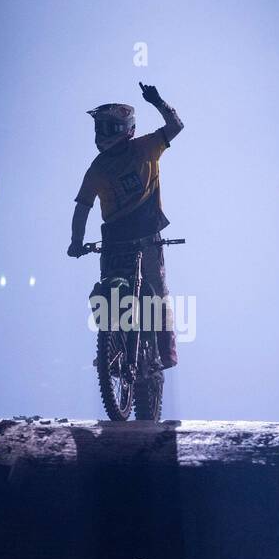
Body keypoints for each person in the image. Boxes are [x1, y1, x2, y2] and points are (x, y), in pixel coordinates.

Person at [67, 82, 183, 369]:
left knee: (157, 292)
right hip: (115, 240)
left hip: (147, 236)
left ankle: (166, 353)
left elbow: (176, 126)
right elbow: (83, 206)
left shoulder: (147, 146)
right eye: (100, 129)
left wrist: (158, 101)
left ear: (126, 129)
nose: (102, 136)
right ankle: (111, 344)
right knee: (107, 292)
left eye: (109, 129)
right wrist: (75, 241)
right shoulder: (97, 168)